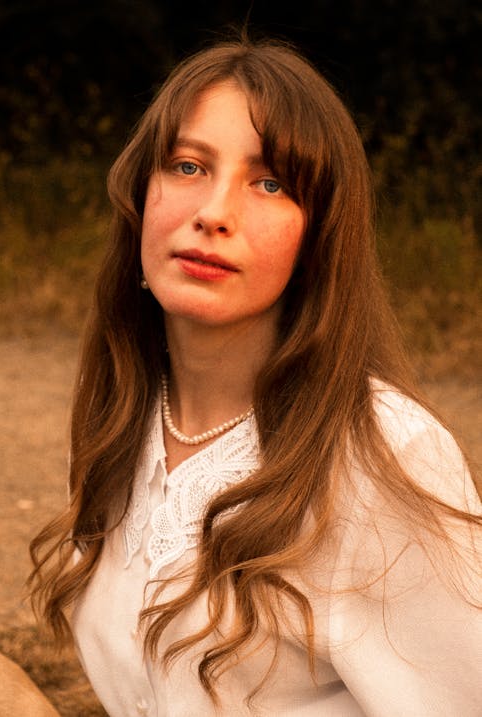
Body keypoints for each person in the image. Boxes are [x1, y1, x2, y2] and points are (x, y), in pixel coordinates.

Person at [29, 34, 482, 716]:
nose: (213, 213)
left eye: (270, 182)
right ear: (140, 201)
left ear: (320, 240)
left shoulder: (385, 456)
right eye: (186, 166)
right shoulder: (118, 420)